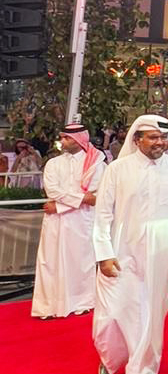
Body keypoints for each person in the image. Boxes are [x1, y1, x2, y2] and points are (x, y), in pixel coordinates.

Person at [92, 115, 168, 374]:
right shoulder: (117, 170)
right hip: (121, 250)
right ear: (137, 138)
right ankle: (111, 357)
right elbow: (102, 216)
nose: (160, 143)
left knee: (150, 314)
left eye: (164, 138)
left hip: (162, 251)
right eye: (153, 138)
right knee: (112, 314)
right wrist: (103, 253)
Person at [31, 124, 105, 319]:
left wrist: (61, 206)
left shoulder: (97, 164)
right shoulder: (53, 164)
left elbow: (96, 195)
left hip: (82, 220)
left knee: (80, 261)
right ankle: (47, 306)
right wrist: (78, 200)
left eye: (67, 138)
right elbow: (52, 191)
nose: (62, 142)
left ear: (80, 140)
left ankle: (82, 302)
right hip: (56, 222)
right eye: (62, 138)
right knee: (50, 261)